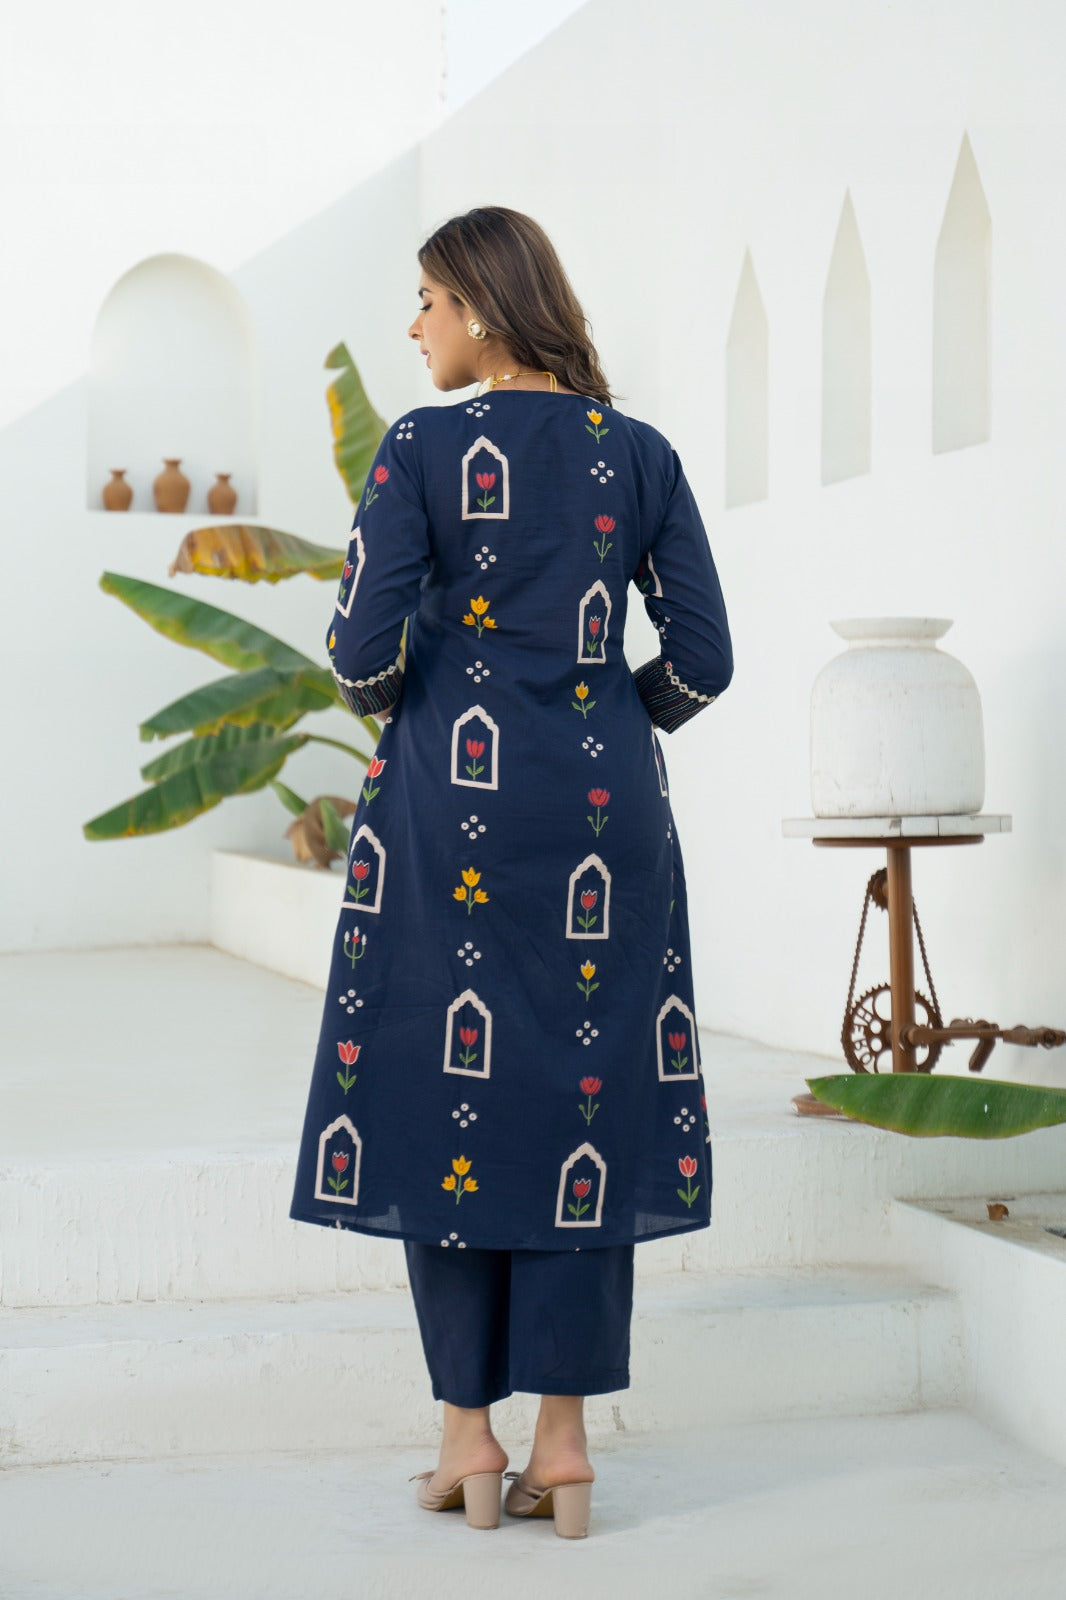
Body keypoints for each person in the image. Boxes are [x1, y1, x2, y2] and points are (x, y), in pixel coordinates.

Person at [288, 205, 733, 1538]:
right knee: (583, 1101)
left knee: (446, 1096)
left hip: (446, 822)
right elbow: (705, 659)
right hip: (603, 822)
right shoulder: (639, 454)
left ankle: (466, 1440)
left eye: (426, 300)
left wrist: (421, 715)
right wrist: (608, 720)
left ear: (481, 307)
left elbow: (357, 650)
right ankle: (565, 1446)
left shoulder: (421, 447)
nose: (413, 325)